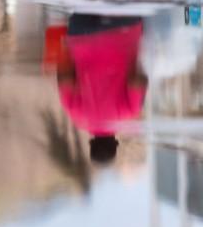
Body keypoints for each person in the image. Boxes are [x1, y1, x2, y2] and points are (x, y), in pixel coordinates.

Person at [46, 14, 147, 165]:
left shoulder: (128, 113)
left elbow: (136, 82)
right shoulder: (77, 116)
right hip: (81, 34)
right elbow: (65, 78)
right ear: (91, 143)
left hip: (123, 31)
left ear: (115, 143)